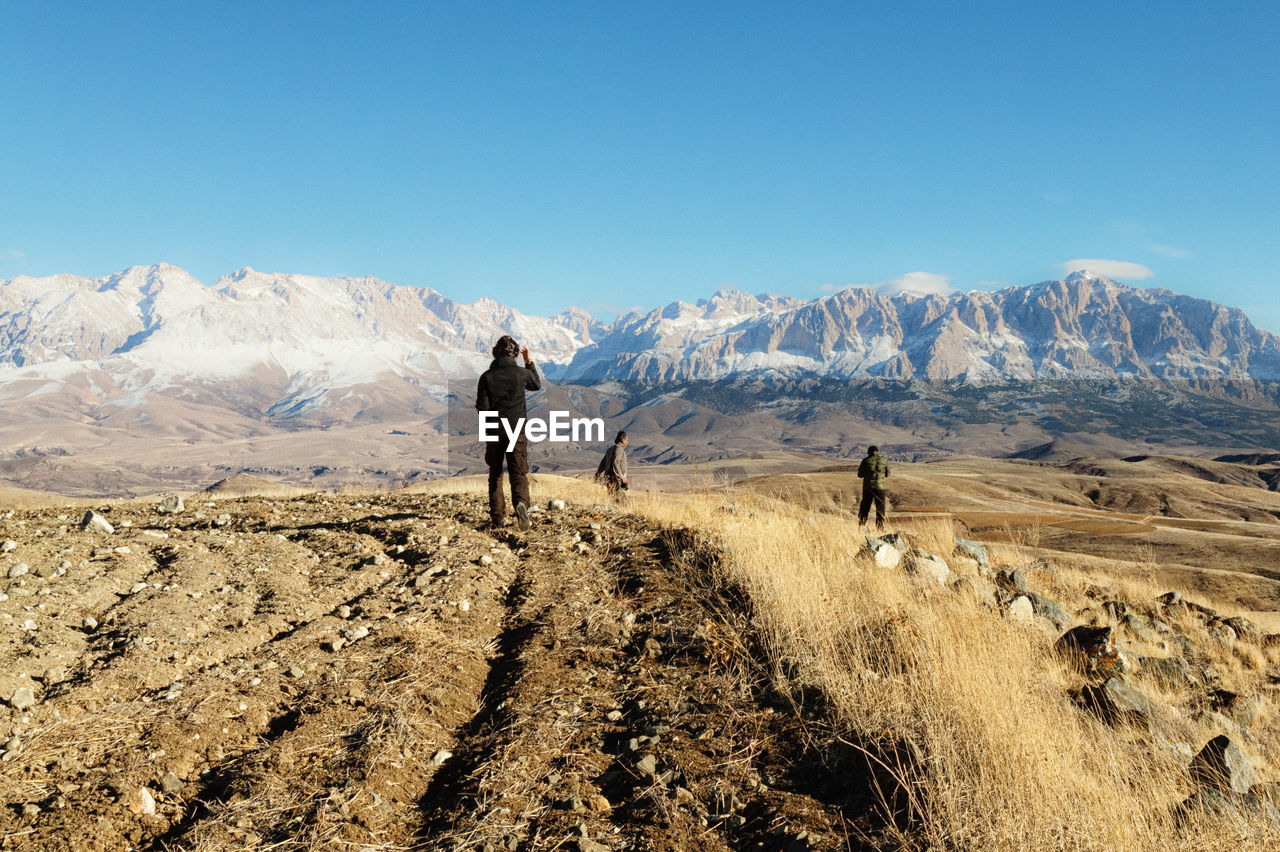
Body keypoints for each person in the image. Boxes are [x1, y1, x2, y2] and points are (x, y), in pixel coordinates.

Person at [476, 335, 541, 530]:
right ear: (514, 353)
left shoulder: (486, 377)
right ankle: (521, 504)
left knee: (495, 473)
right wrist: (528, 362)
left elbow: (482, 407)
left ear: (495, 353)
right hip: (516, 430)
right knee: (518, 472)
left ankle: (497, 518)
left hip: (493, 430)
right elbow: (536, 385)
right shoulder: (521, 373)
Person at [857, 444, 890, 529]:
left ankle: (862, 525)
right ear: (877, 452)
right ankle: (880, 527)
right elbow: (887, 474)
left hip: (868, 487)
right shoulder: (884, 460)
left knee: (865, 507)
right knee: (880, 508)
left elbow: (860, 475)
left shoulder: (865, 461)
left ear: (868, 452)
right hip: (880, 488)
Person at [595, 430, 629, 496]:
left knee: (612, 497)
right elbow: (616, 463)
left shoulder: (610, 449)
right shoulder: (619, 449)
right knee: (621, 499)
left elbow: (603, 463)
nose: (627, 442)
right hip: (616, 478)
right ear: (623, 440)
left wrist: (598, 474)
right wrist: (622, 477)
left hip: (608, 477)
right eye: (627, 440)